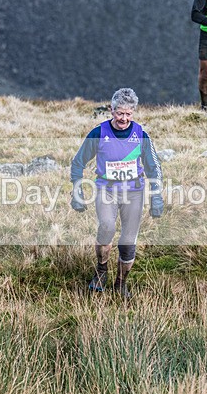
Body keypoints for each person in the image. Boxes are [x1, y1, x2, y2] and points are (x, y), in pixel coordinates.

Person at [70, 88, 164, 298]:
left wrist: (156, 196)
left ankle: (121, 283)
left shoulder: (140, 134)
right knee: (106, 227)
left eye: (128, 114)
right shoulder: (99, 133)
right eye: (119, 113)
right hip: (107, 190)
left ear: (134, 113)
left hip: (134, 192)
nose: (123, 118)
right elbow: (78, 162)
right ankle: (101, 271)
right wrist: (76, 192)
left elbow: (154, 168)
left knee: (128, 242)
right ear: (111, 110)